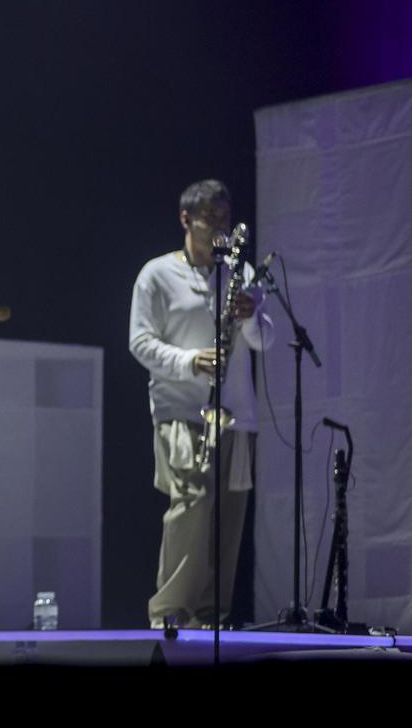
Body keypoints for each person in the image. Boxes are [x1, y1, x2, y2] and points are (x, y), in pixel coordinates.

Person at [128, 179, 274, 629]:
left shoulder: (240, 273)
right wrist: (191, 361)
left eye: (225, 218)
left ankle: (213, 613)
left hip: (234, 414)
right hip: (181, 410)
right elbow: (139, 342)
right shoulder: (157, 274)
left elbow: (265, 340)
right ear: (185, 219)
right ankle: (170, 610)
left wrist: (252, 319)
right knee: (191, 504)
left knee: (229, 513)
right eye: (211, 218)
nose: (220, 228)